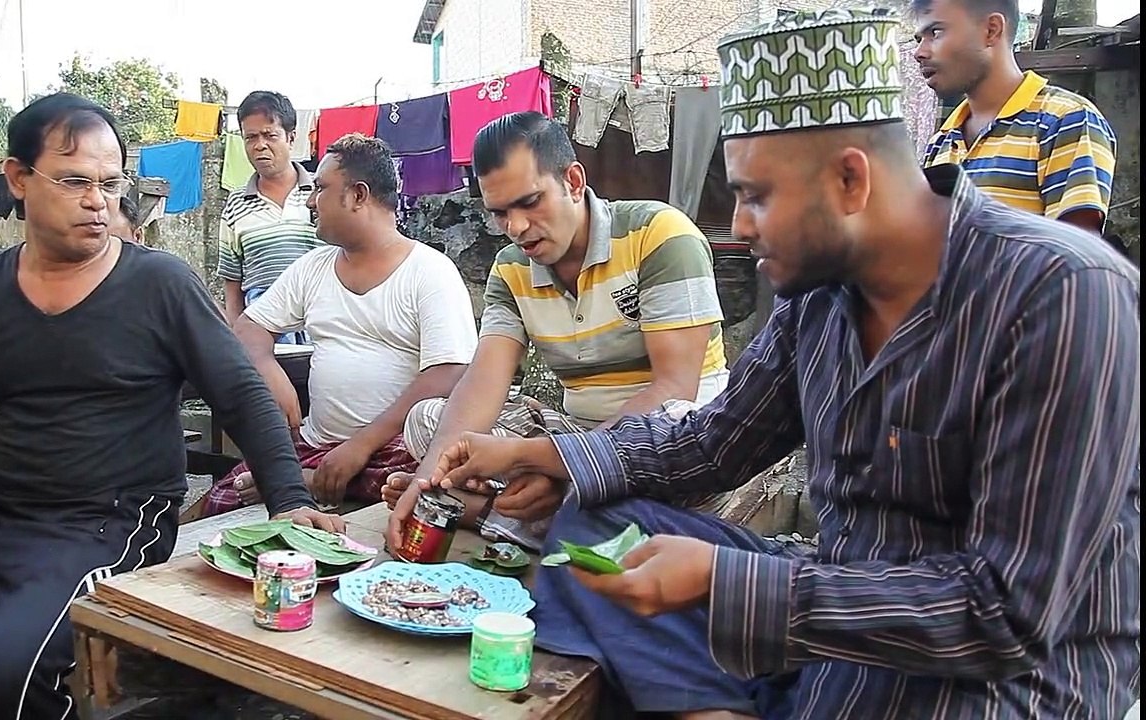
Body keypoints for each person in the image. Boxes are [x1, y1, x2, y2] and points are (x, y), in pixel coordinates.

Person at [408, 9, 1140, 719]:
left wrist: (735, 585)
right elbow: (709, 445)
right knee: (594, 524)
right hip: (840, 620)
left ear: (850, 182)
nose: (743, 225)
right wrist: (545, 454)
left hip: (1006, 677)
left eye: (756, 197)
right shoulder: (819, 298)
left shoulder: (1063, 293)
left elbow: (1007, 612)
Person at [0, 93, 339, 720]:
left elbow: (241, 392)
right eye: (74, 181)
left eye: (109, 183)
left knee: (6, 676)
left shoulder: (158, 284)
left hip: (110, 520)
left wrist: (290, 501)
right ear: (17, 179)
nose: (98, 201)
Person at [386, 111, 730, 549]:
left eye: (530, 202)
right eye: (500, 213)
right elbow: (482, 383)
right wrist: (425, 480)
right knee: (430, 423)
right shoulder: (511, 269)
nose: (516, 228)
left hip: (664, 437)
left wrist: (563, 465)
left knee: (682, 429)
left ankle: (504, 513)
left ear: (572, 181)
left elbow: (674, 388)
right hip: (579, 432)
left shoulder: (660, 235)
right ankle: (555, 513)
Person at [203, 134, 477, 514]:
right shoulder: (313, 267)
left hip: (391, 451)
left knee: (422, 478)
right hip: (316, 444)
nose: (312, 201)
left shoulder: (429, 272)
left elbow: (448, 372)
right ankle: (311, 477)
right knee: (221, 498)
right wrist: (268, 369)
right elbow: (249, 328)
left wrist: (361, 445)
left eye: (320, 189)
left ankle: (313, 481)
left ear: (358, 195)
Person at [915, 0, 1117, 234]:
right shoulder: (941, 141)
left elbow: (1076, 257)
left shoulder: (1065, 120)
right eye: (918, 39)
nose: (919, 53)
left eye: (936, 32)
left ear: (991, 30)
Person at [218, 90, 322, 339]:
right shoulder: (235, 204)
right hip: (263, 332)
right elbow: (233, 283)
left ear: (291, 138)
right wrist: (239, 337)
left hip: (321, 324)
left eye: (269, 135)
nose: (259, 145)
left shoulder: (322, 193)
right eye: (250, 137)